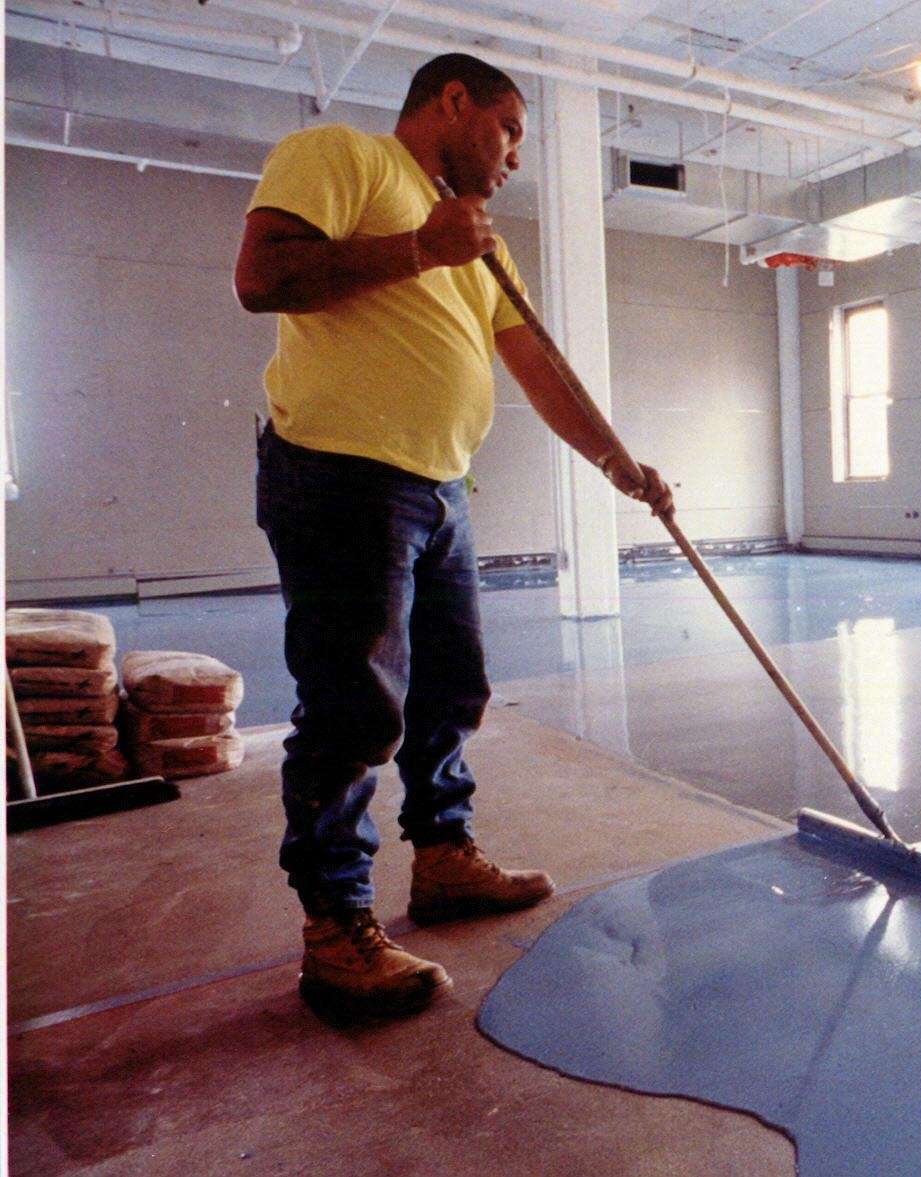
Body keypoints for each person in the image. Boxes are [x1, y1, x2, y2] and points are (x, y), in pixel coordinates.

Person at [234, 53, 672, 1020]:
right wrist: (418, 251)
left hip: (439, 487)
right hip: (341, 473)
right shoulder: (342, 155)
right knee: (353, 707)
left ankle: (442, 857)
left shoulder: (481, 243)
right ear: (453, 100)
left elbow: (542, 371)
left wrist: (619, 465)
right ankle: (335, 927)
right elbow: (261, 277)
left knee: (448, 690)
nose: (517, 153)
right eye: (511, 129)